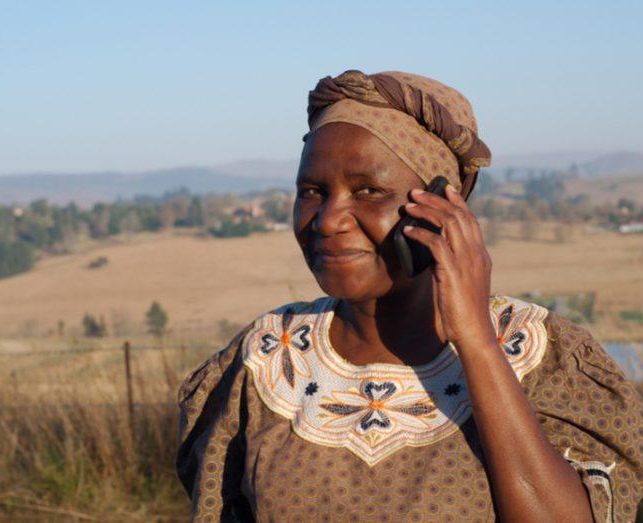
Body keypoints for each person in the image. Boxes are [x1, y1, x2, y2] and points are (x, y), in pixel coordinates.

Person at [176, 69, 643, 522]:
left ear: (444, 205)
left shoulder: (540, 355)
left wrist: (478, 344)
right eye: (313, 191)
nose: (328, 220)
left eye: (368, 191)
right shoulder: (265, 360)